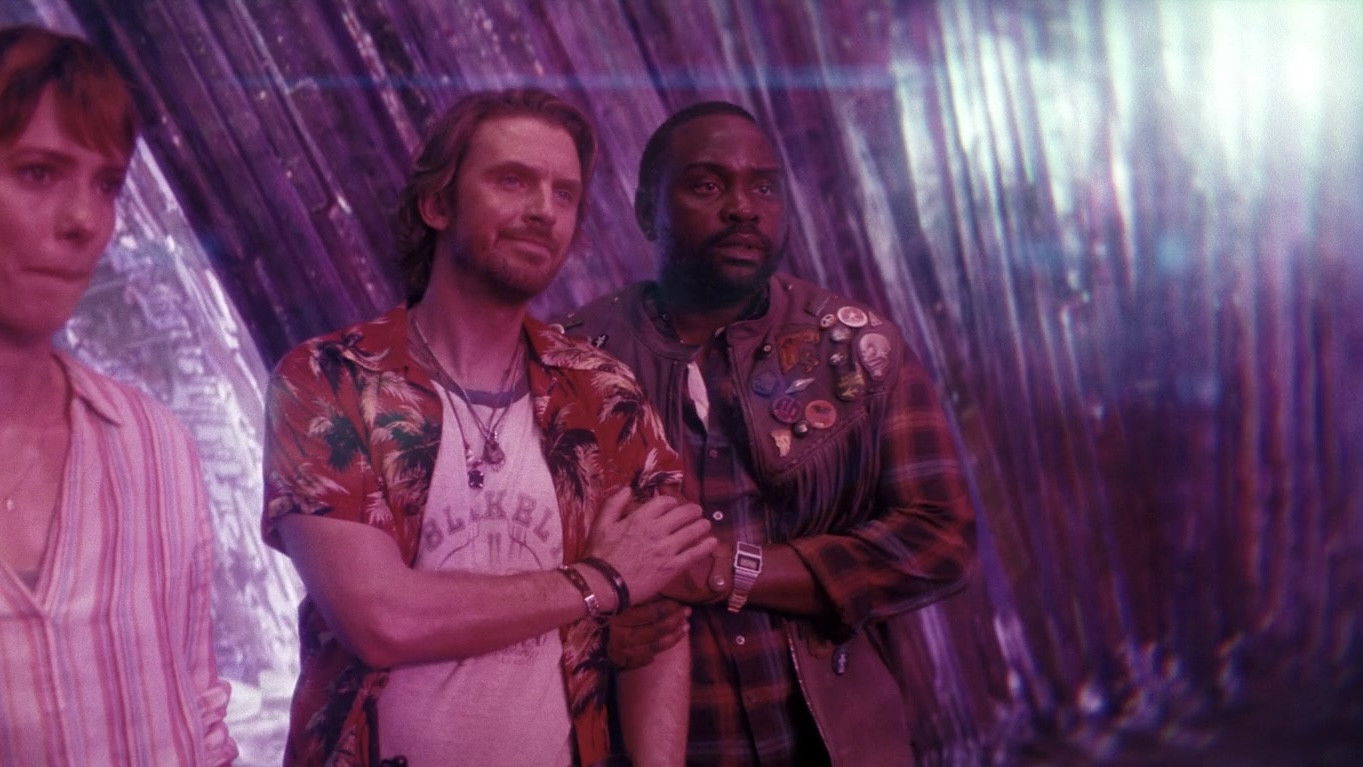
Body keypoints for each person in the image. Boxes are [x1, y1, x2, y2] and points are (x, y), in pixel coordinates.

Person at [262, 88, 716, 767]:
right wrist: (598, 580)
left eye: (564, 194)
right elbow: (379, 620)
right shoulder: (331, 379)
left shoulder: (602, 393)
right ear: (436, 204)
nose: (544, 210)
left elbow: (657, 615)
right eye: (512, 180)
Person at [559, 102, 977, 765]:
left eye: (764, 187)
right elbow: (517, 563)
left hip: (836, 744)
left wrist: (731, 570)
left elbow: (942, 537)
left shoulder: (857, 348)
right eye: (706, 185)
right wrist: (595, 622)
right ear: (645, 210)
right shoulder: (571, 362)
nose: (743, 208)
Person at [0, 25, 236, 766]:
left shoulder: (151, 445)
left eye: (106, 184)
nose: (84, 220)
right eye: (39, 172)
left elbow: (198, 709)